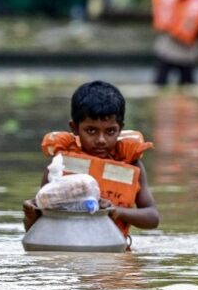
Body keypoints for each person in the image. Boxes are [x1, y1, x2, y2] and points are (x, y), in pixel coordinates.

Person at [22, 81, 160, 245]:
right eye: (91, 131)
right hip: (68, 257)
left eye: (110, 131)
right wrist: (30, 214)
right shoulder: (60, 167)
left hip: (113, 254)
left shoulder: (131, 165)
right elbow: (36, 230)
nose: (101, 140)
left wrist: (117, 212)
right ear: (75, 128)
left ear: (120, 128)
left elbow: (152, 217)